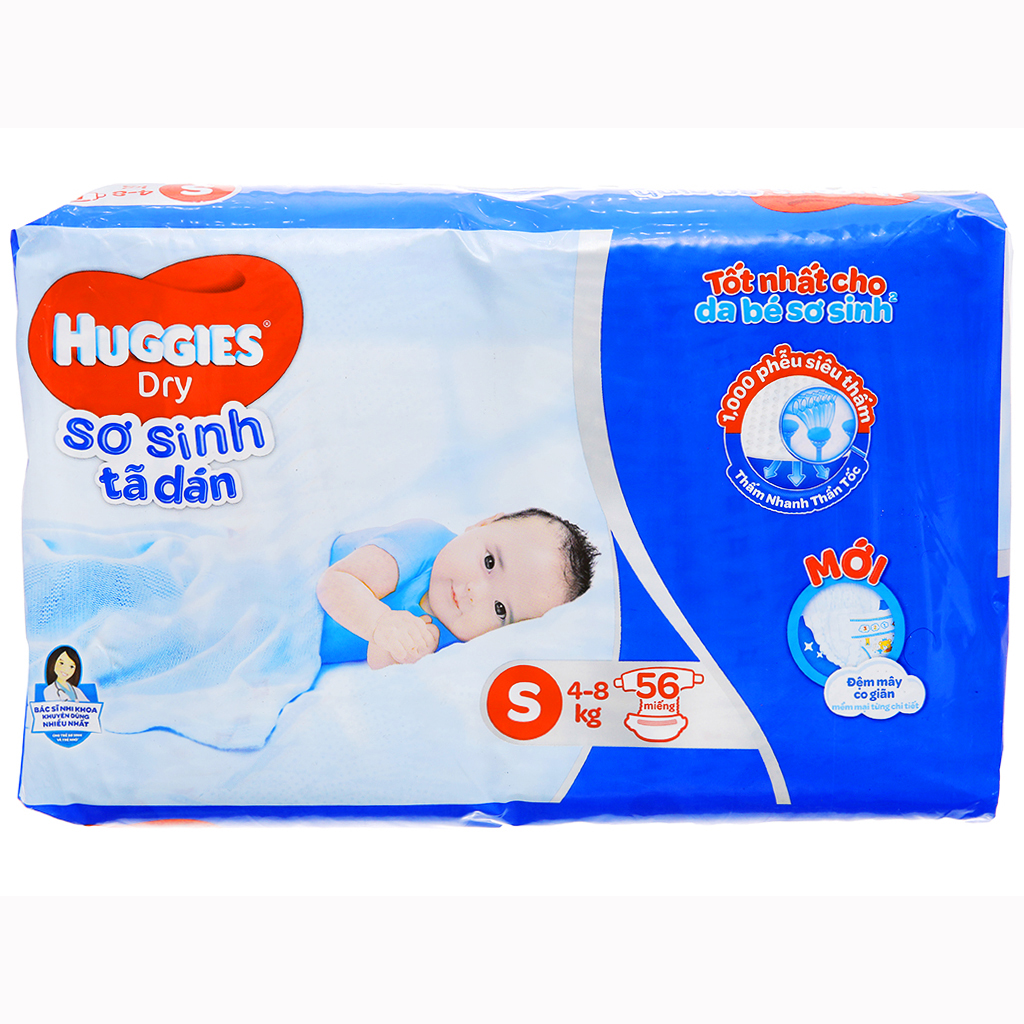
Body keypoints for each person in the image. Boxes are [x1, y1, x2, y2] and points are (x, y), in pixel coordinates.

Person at [317, 509, 598, 668]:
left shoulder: (455, 643)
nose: (475, 593)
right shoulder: (423, 541)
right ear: (482, 524)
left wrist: (403, 653)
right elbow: (336, 582)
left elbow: (376, 664)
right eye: (489, 562)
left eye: (500, 609)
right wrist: (380, 623)